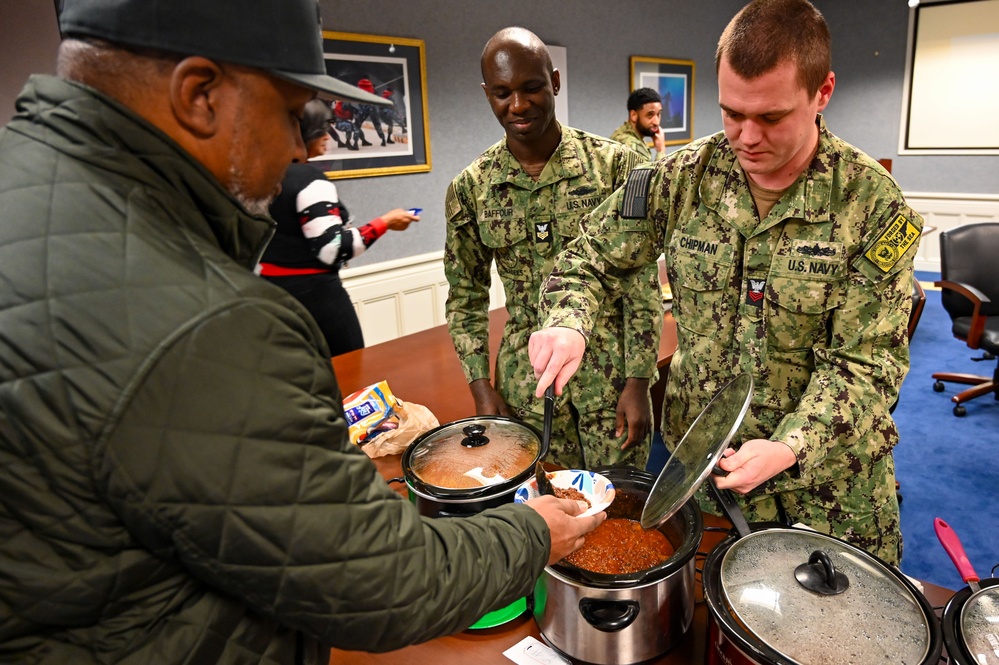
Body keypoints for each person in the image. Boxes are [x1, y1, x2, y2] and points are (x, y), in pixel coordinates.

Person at [0, 1, 604, 662]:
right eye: (292, 111)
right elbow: (378, 580)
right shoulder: (212, 322)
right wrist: (529, 533)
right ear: (200, 95)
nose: (299, 146)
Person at [529, 0, 922, 566]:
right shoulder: (678, 179)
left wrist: (790, 445)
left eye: (770, 117)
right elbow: (588, 256)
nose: (745, 136)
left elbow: (868, 366)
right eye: (732, 113)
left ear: (823, 92)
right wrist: (569, 322)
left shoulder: (872, 203)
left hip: (826, 487)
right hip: (704, 472)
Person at [444, 27, 660, 471]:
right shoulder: (472, 188)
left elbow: (640, 279)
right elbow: (465, 295)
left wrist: (640, 379)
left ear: (555, 82)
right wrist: (481, 388)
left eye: (531, 88)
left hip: (612, 375)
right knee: (552, 510)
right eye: (502, 93)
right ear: (487, 95)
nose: (518, 105)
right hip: (528, 386)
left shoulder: (616, 165)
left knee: (622, 506)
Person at [258, 98, 419, 356]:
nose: (329, 134)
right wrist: (385, 222)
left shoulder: (262, 176)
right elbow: (334, 248)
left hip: (270, 296)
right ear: (306, 129)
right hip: (318, 301)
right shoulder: (310, 180)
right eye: (325, 126)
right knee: (350, 375)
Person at [609, 87, 666, 161]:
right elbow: (654, 173)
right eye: (650, 115)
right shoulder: (632, 146)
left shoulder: (621, 132)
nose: (656, 122)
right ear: (634, 115)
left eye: (658, 114)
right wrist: (661, 150)